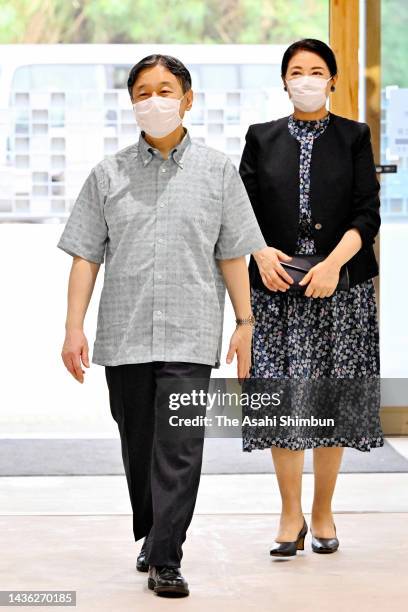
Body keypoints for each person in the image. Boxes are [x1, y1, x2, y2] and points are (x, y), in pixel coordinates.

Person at [57, 54, 266, 597]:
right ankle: (154, 533)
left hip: (192, 333)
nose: (154, 100)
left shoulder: (218, 171)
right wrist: (72, 329)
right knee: (138, 442)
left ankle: (167, 556)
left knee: (180, 446)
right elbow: (85, 257)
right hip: (124, 335)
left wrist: (245, 322)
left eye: (165, 89)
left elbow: (232, 254)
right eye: (143, 92)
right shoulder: (107, 176)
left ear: (188, 99)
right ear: (132, 104)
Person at [239, 39, 383, 557]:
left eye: (315, 71)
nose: (305, 79)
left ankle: (322, 510)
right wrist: (261, 256)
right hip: (275, 289)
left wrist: (331, 264)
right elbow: (242, 210)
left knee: (329, 402)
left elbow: (367, 213)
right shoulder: (260, 137)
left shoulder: (354, 136)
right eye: (296, 71)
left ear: (332, 80)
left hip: (339, 290)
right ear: (284, 82)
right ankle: (289, 513)